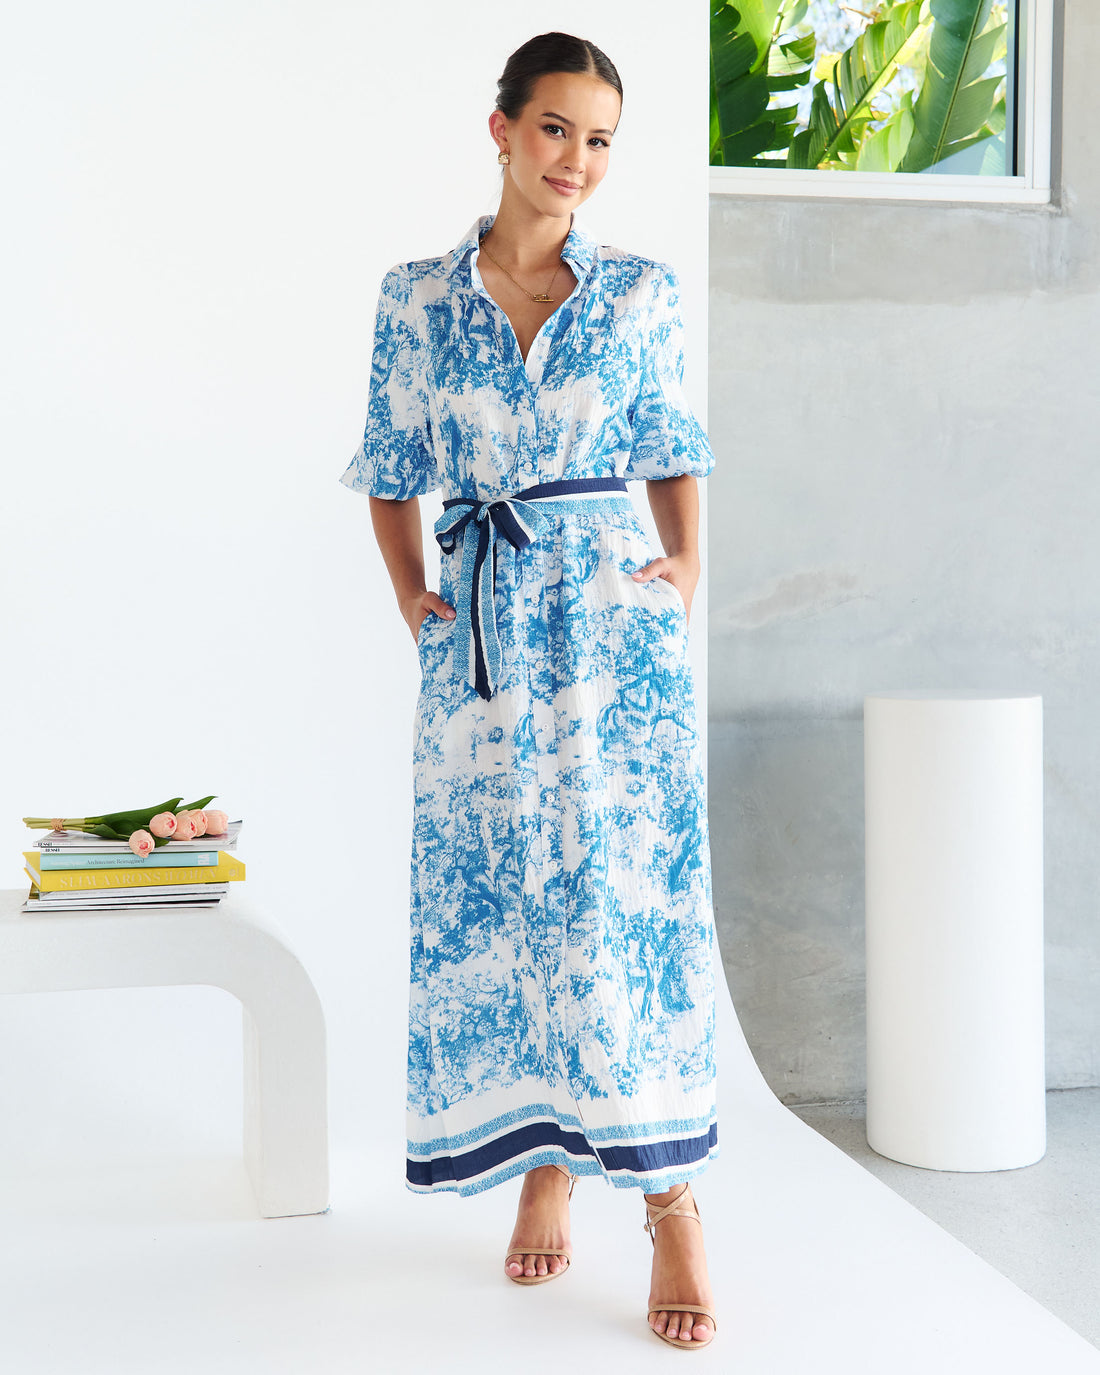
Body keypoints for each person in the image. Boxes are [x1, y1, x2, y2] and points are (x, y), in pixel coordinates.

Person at [338, 31, 719, 1350]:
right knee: (507, 894)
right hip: (485, 635)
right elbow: (392, 463)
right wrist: (411, 594)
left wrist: (685, 571)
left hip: (615, 634)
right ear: (500, 129)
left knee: (618, 899)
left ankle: (668, 1198)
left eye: (601, 139)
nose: (578, 161)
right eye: (556, 129)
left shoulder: (641, 294)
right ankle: (545, 1166)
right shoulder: (415, 298)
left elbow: (671, 445)